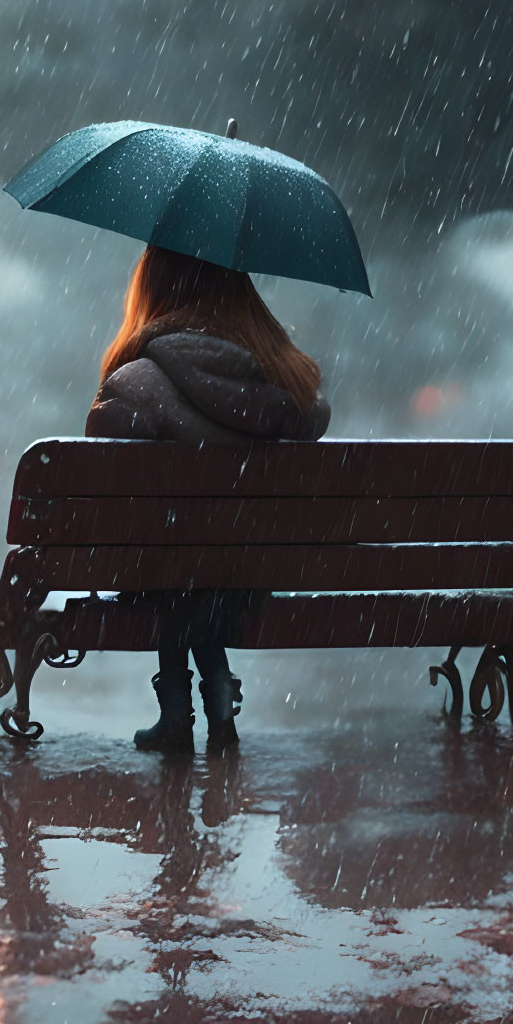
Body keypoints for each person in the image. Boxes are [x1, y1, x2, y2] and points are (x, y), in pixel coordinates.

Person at [85, 244, 331, 753]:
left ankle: (178, 712)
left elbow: (103, 469)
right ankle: (219, 701)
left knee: (174, 560)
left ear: (156, 288)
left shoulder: (136, 383)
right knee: (200, 565)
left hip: (163, 573)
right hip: (250, 576)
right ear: (240, 296)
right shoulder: (290, 388)